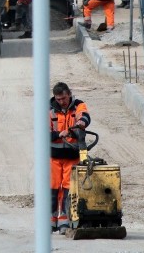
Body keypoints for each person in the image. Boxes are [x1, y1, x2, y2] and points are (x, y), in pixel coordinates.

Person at [50, 82, 90, 233]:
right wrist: (58, 134)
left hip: (72, 156)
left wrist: (81, 123)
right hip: (54, 157)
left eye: (64, 98)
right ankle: (51, 220)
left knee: (68, 189)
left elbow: (84, 116)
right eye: (58, 99)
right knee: (53, 189)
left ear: (69, 94)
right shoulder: (49, 110)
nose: (61, 101)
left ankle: (64, 220)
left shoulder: (78, 105)